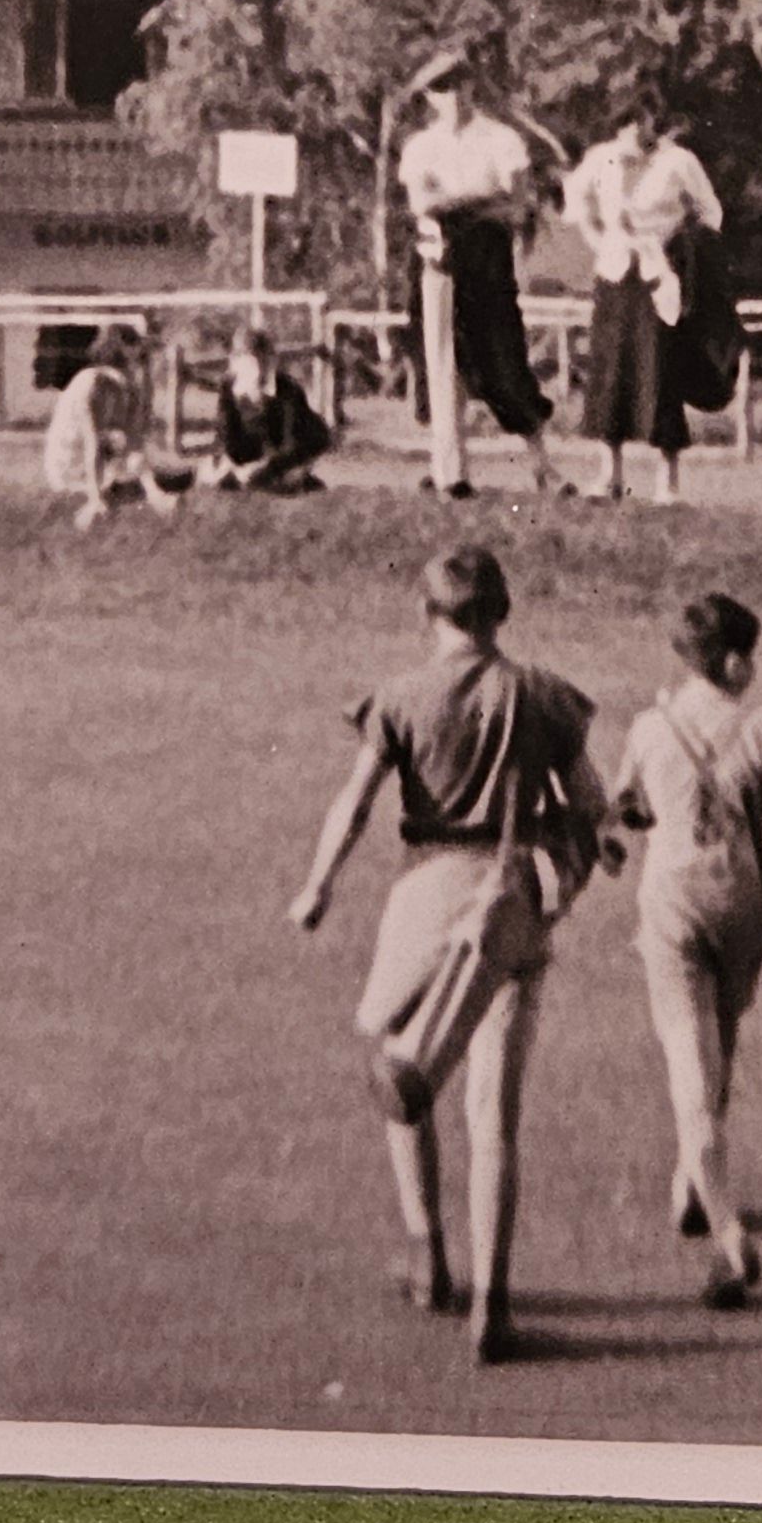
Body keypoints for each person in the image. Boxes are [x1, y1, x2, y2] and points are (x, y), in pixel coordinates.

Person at [290, 544, 608, 1365]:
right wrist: (569, 871)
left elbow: (353, 803)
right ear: (502, 615)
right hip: (511, 902)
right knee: (494, 1113)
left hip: (425, 894)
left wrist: (318, 885)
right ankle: (493, 1306)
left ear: (425, 616)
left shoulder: (400, 697)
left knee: (405, 1071)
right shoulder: (542, 694)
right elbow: (592, 807)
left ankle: (429, 1254)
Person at [604, 592, 762, 1305]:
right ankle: (694, 1187)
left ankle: (728, 1233)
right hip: (744, 908)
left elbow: (621, 805)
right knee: (718, 1050)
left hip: (673, 905)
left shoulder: (650, 726)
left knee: (691, 1062)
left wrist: (633, 820)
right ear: (732, 660)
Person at [397, 51, 563, 499]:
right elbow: (422, 205)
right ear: (429, 98)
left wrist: (461, 201)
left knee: (504, 363)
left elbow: (517, 205)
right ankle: (451, 472)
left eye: (458, 84)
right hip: (440, 259)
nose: (452, 96)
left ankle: (543, 466)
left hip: (488, 262)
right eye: (440, 89)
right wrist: (480, 199)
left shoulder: (501, 139)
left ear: (472, 85)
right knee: (442, 361)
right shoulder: (420, 147)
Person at [564, 88, 726, 504]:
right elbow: (575, 200)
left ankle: (667, 484)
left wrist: (679, 243)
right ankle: (610, 475)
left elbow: (710, 213)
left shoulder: (678, 162)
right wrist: (598, 239)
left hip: (661, 277)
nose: (635, 127)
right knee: (612, 373)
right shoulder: (603, 159)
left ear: (655, 118)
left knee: (662, 374)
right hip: (616, 276)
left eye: (643, 117)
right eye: (626, 119)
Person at [40, 323, 184, 529]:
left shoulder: (124, 387)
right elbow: (94, 442)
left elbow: (134, 441)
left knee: (137, 459)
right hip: (69, 468)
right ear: (121, 351)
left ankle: (161, 504)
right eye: (136, 350)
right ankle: (96, 506)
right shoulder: (93, 383)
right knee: (130, 459)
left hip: (100, 463)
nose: (143, 359)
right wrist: (95, 496)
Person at [211, 321, 334, 493]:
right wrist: (229, 463)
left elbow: (292, 444)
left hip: (291, 453)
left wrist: (266, 468)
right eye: (242, 359)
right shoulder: (228, 387)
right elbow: (224, 436)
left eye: (260, 360)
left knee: (284, 481)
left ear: (269, 361)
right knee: (216, 477)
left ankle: (302, 483)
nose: (254, 368)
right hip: (249, 458)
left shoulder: (288, 390)